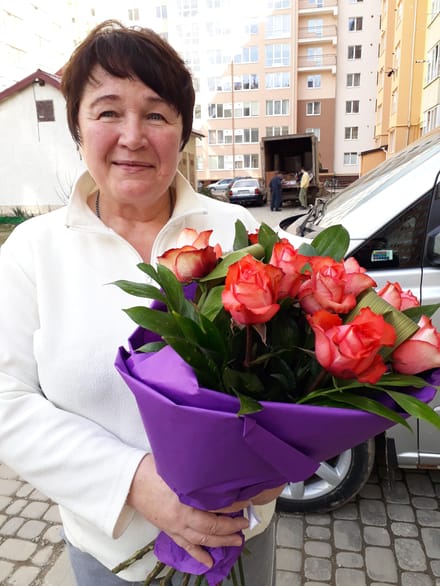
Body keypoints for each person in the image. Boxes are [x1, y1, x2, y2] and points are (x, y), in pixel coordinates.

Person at [0, 21, 282, 586]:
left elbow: (292, 373)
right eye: (107, 111)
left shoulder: (238, 233)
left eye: (156, 114)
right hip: (111, 553)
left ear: (183, 131)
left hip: (239, 538)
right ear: (78, 126)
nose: (133, 136)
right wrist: (136, 482)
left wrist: (278, 459)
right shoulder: (35, 250)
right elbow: (8, 403)